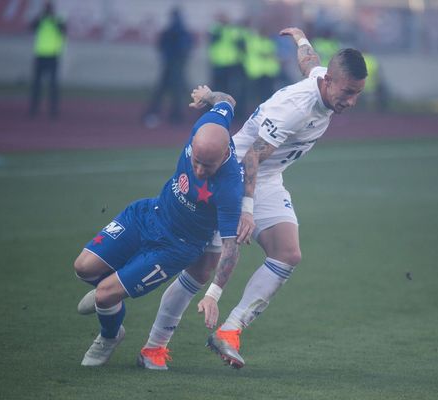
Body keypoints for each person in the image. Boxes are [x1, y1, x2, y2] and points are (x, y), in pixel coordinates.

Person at [154, 27, 367, 369]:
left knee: (287, 253)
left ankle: (230, 331)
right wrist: (247, 210)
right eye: (348, 92)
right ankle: (155, 346)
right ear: (329, 82)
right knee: (202, 269)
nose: (351, 101)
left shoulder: (322, 82)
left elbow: (309, 63)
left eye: (357, 94)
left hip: (266, 176)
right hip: (232, 173)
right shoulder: (298, 108)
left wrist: (299, 38)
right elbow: (252, 155)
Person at [74, 86, 243, 369]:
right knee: (83, 267)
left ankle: (109, 334)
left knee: (104, 294)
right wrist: (209, 95)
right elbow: (228, 100)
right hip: (147, 213)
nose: (200, 171)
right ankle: (110, 302)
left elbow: (230, 247)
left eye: (208, 167)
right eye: (196, 162)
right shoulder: (210, 122)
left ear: (225, 153)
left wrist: (214, 294)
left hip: (174, 247)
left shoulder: (229, 188)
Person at [143, 7, 194, 128]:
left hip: (170, 64)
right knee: (177, 91)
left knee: (162, 91)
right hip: (177, 65)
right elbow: (187, 48)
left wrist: (167, 57)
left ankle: (154, 113)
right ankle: (176, 116)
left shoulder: (169, 31)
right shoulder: (183, 32)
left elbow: (161, 46)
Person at [28, 1, 66, 119]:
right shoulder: (41, 20)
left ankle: (53, 110)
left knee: (53, 85)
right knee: (37, 85)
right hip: (40, 55)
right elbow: (32, 27)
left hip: (53, 55)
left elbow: (63, 30)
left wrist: (53, 19)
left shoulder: (58, 20)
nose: (48, 11)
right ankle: (34, 109)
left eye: (49, 8)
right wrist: (41, 17)